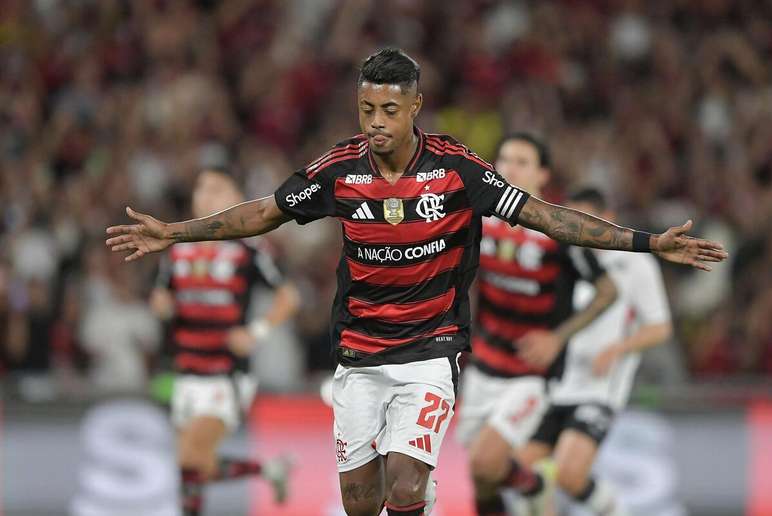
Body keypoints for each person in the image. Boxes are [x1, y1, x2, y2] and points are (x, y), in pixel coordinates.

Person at [105, 48, 726, 516]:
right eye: (367, 109)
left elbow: (548, 217)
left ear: (415, 108)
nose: (376, 122)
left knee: (406, 480)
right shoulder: (338, 171)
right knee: (359, 499)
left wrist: (647, 242)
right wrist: (176, 233)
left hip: (433, 350)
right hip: (358, 352)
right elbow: (263, 212)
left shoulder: (459, 171)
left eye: (389, 111)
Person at [457, 133, 618, 516]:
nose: (510, 168)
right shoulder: (478, 217)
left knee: (484, 463)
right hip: (483, 367)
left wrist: (558, 337)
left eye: (522, 162)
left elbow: (608, 291)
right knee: (482, 478)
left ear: (542, 175)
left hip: (531, 373)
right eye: (504, 160)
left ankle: (533, 484)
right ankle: (530, 485)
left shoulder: (555, 229)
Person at [513, 187, 674, 516]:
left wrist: (618, 349)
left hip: (599, 388)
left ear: (609, 220)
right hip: (556, 383)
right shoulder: (562, 260)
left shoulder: (633, 264)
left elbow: (660, 327)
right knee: (522, 472)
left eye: (590, 219)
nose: (581, 228)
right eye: (575, 220)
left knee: (569, 473)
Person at [150, 167, 300, 516]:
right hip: (185, 369)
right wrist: (161, 305)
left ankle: (268, 471)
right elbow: (161, 297)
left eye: (217, 188)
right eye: (201, 188)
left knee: (190, 459)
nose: (206, 195)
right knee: (194, 467)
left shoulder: (248, 247)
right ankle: (270, 470)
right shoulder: (175, 248)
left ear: (236, 198)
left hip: (225, 371)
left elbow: (289, 296)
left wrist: (256, 331)